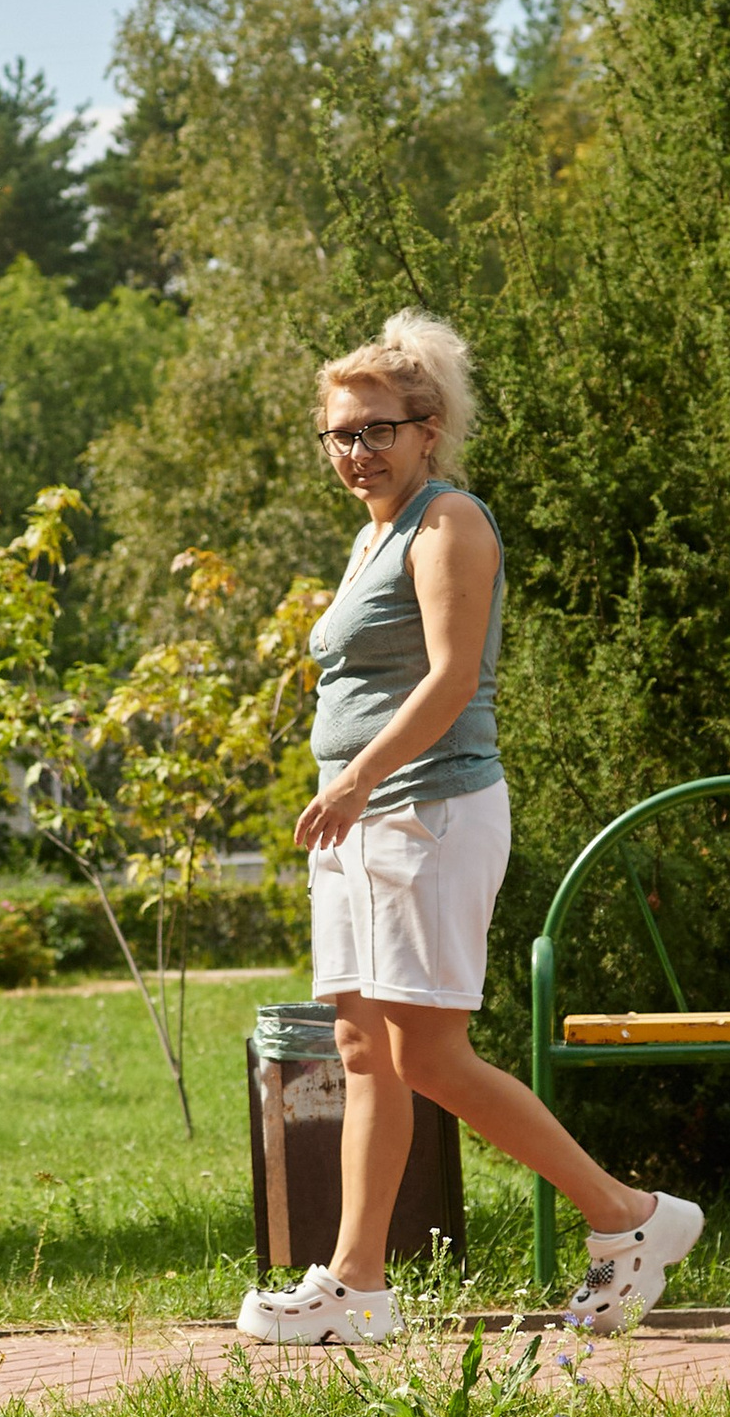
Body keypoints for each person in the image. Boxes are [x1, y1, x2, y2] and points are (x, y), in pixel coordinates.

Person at [238, 312, 701, 1347]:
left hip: (427, 813)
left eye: (378, 431)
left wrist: (355, 778)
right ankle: (356, 1284)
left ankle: (630, 1219)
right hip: (362, 822)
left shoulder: (451, 524)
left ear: (427, 429)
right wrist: (344, 792)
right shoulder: (372, 534)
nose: (357, 451)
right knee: (362, 1047)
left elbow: (451, 681)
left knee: (432, 1054)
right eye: (340, 435)